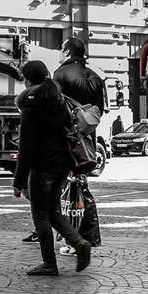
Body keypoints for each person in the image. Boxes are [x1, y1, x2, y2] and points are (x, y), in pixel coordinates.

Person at [12, 60, 91, 276]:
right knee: (53, 210)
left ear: (27, 79)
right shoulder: (58, 99)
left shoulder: (30, 104)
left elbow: (27, 145)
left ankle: (49, 263)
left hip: (42, 166)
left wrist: (18, 182)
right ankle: (79, 242)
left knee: (40, 215)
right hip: (62, 165)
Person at [53, 36, 104, 251]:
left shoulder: (60, 74)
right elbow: (99, 110)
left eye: (60, 49)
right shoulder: (95, 77)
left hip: (66, 136)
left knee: (64, 185)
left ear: (67, 52)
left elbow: (55, 106)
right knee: (81, 183)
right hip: (87, 138)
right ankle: (89, 235)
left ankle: (72, 238)